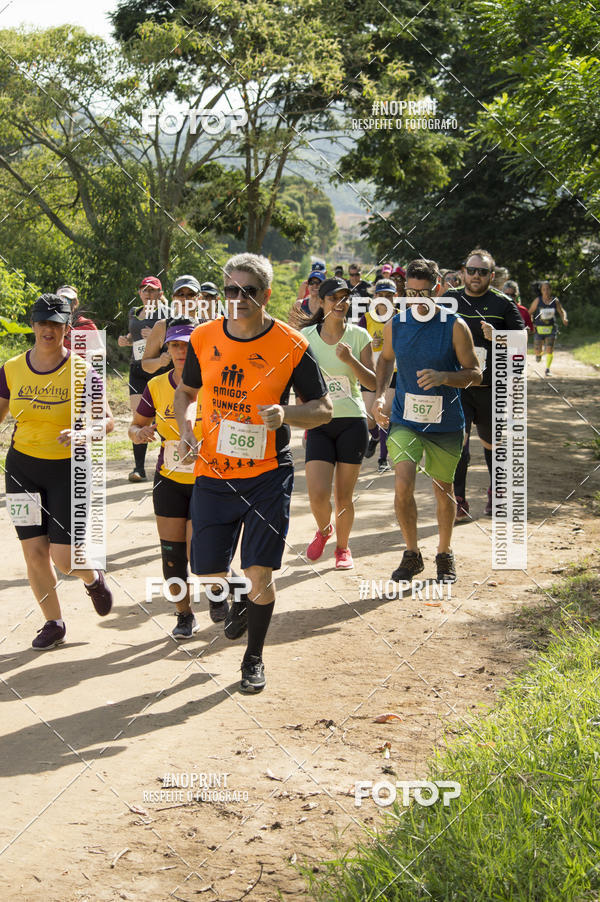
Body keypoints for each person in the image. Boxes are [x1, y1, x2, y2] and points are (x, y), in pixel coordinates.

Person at [174, 253, 332, 693]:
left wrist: (287, 414)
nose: (238, 298)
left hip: (267, 473)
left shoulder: (290, 344)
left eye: (248, 291)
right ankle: (238, 595)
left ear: (265, 295)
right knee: (207, 570)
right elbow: (186, 391)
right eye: (231, 290)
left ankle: (253, 659)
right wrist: (186, 428)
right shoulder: (204, 337)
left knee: (260, 571)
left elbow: (323, 409)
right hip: (213, 472)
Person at [0, 294, 115, 649]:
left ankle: (92, 578)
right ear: (33, 325)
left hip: (68, 470)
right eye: (42, 322)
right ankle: (54, 623)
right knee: (34, 552)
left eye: (55, 323)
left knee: (64, 558)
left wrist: (85, 433)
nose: (47, 329)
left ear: (67, 328)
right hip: (22, 470)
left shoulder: (83, 371)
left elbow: (107, 421)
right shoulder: (12, 368)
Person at [373, 259, 482, 583]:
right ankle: (412, 554)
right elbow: (386, 360)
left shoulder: (454, 326)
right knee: (402, 483)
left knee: (443, 489)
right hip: (405, 419)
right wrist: (380, 396)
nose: (417, 299)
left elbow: (475, 374)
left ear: (437, 289)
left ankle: (444, 553)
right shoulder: (396, 324)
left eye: (424, 293)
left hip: (445, 422)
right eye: (411, 292)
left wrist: (445, 377)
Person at [129, 320, 228, 638]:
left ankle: (218, 592)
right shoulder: (156, 385)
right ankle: (184, 615)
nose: (181, 351)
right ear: (167, 349)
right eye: (174, 345)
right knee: (172, 555)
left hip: (206, 479)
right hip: (169, 480)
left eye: (187, 345)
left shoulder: (215, 380)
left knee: (197, 550)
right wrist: (140, 432)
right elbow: (134, 425)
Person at [443, 249, 526, 519]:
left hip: (492, 388)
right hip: (459, 388)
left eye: (482, 271)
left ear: (492, 275)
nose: (476, 276)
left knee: (493, 445)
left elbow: (522, 342)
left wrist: (499, 336)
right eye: (471, 270)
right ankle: (459, 499)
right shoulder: (449, 300)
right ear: (463, 272)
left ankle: (496, 493)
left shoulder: (503, 304)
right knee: (459, 443)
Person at [302, 276, 375, 569]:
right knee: (317, 495)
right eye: (333, 298)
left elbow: (373, 382)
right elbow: (296, 378)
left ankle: (343, 549)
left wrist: (351, 361)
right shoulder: (306, 336)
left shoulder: (359, 335)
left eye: (345, 298)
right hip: (320, 421)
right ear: (321, 302)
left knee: (344, 496)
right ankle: (324, 530)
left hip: (352, 422)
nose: (340, 303)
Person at [118, 276, 165, 482]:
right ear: (139, 293)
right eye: (144, 290)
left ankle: (168, 463)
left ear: (160, 294)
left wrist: (155, 335)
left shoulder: (166, 313)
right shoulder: (134, 312)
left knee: (164, 416)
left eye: (152, 290)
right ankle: (139, 469)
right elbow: (133, 336)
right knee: (138, 417)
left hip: (158, 369)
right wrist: (126, 340)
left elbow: (174, 341)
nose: (148, 293)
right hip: (137, 369)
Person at [358, 278, 398, 472]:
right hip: (371, 371)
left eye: (388, 295)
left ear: (395, 297)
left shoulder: (401, 317)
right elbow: (356, 344)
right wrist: (368, 344)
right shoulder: (366, 319)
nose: (384, 299)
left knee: (383, 412)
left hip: (393, 372)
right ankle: (374, 437)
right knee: (369, 418)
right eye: (380, 295)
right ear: (374, 297)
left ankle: (383, 459)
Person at [142, 275, 203, 376]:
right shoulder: (162, 326)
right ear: (173, 298)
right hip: (168, 385)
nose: (185, 298)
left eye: (191, 294)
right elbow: (145, 364)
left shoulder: (206, 326)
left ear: (199, 298)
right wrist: (159, 362)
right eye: (180, 294)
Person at [529, 281, 568, 376]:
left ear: (550, 290)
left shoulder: (555, 301)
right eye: (544, 289)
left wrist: (564, 318)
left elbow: (561, 311)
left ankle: (547, 369)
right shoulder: (538, 300)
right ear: (541, 291)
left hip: (551, 329)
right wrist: (531, 323)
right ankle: (538, 355)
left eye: (547, 289)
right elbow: (530, 312)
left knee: (549, 349)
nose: (546, 291)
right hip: (539, 329)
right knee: (537, 351)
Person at [56, 285, 98, 350]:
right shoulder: (49, 324)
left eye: (67, 299)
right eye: (60, 300)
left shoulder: (87, 324)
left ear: (75, 302)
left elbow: (101, 350)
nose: (63, 303)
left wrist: (93, 353)